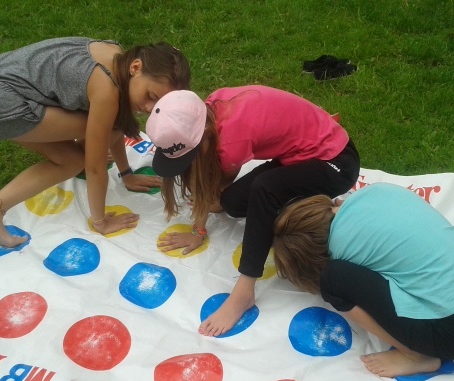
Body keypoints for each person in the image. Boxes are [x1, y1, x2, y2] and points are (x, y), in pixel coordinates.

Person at [146, 86, 360, 337]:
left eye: (190, 156)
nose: (189, 164)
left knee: (264, 189)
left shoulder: (231, 142)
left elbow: (207, 181)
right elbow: (211, 184)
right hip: (301, 155)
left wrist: (198, 230)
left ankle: (244, 291)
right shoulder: (207, 110)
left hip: (336, 163)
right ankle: (301, 203)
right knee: (232, 203)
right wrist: (204, 218)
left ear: (203, 135)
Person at [0, 37, 190, 247]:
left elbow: (117, 124)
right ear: (136, 68)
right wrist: (100, 222)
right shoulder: (107, 88)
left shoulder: (116, 55)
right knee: (85, 150)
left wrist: (126, 174)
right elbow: (95, 166)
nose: (150, 108)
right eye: (151, 96)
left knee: (77, 156)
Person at [272, 183, 454, 378]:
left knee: (333, 280)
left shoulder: (340, 250)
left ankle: (414, 356)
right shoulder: (374, 192)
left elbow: (344, 280)